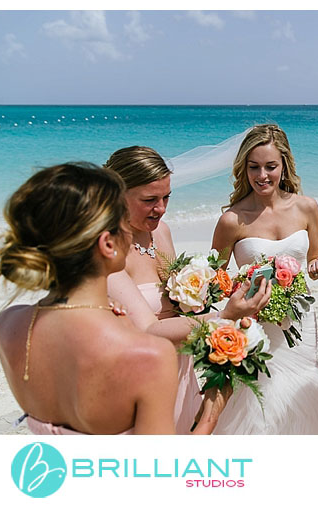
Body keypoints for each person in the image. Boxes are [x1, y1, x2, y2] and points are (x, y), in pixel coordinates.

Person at [0, 163, 231, 435]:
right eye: (123, 220)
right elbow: (162, 471)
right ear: (107, 243)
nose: (131, 231)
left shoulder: (9, 324)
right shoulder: (150, 355)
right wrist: (212, 413)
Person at [104, 146, 269, 434]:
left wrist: (219, 292)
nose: (161, 208)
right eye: (150, 200)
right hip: (138, 377)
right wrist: (225, 316)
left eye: (166, 197)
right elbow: (149, 330)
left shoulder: (161, 231)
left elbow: (180, 302)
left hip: (179, 367)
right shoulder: (108, 249)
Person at [211, 124, 318, 434]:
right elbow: (215, 280)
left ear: (284, 164)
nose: (262, 175)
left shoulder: (307, 207)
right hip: (254, 323)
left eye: (271, 166)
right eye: (254, 167)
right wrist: (239, 290)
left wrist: (317, 266)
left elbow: (314, 256)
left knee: (303, 385)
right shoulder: (232, 220)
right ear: (243, 168)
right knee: (260, 395)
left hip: (299, 319)